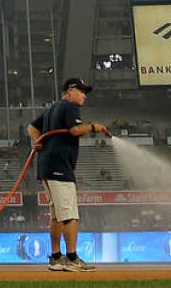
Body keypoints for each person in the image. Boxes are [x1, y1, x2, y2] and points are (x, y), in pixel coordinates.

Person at [28, 77, 110, 272]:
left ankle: (56, 258)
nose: (84, 96)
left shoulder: (51, 109)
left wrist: (36, 141)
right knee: (69, 214)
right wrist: (93, 127)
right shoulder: (70, 107)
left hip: (46, 166)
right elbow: (74, 130)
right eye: (82, 92)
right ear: (70, 91)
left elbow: (32, 127)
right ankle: (72, 258)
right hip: (60, 166)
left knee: (56, 214)